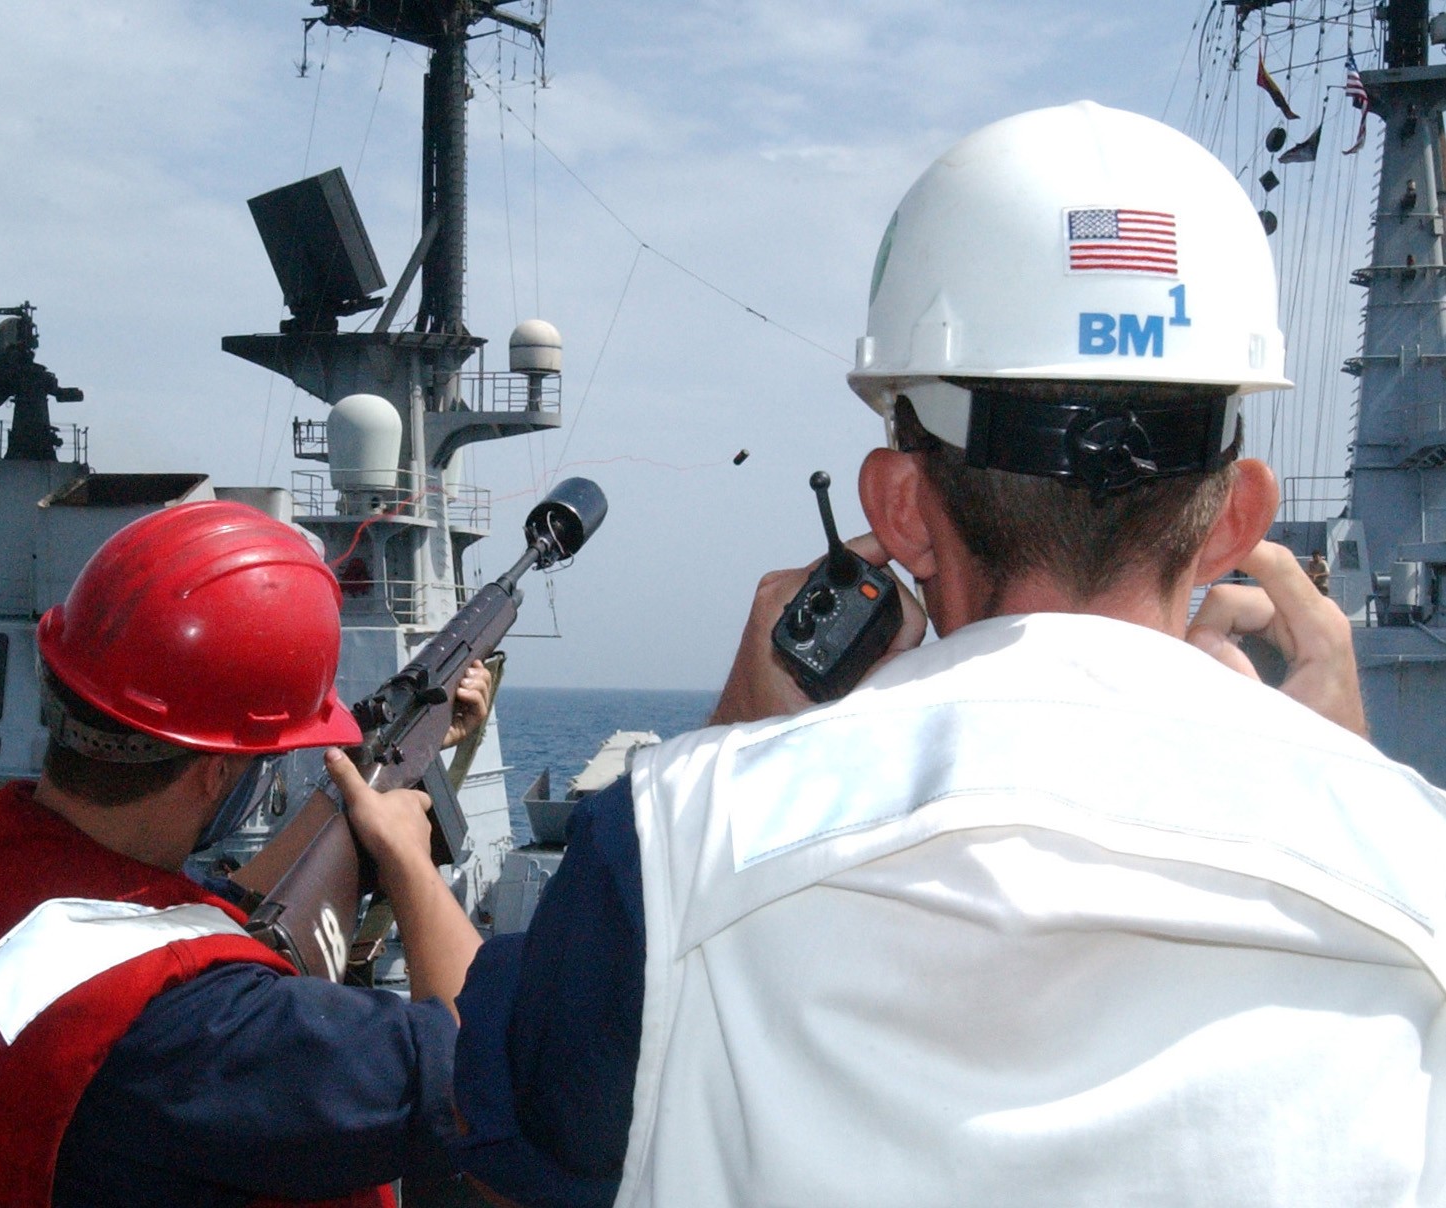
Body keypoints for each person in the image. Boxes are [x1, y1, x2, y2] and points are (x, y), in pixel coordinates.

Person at [451, 103, 1446, 1207]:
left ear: (901, 506)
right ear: (1233, 517)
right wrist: (1352, 783)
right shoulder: (1417, 865)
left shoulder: (668, 839)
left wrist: (734, 737)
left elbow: (519, 1150)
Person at [0, 501, 489, 1207]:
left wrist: (366, 785)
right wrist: (410, 863)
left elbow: (199, 927)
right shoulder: (206, 1031)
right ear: (215, 771)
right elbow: (485, 1075)